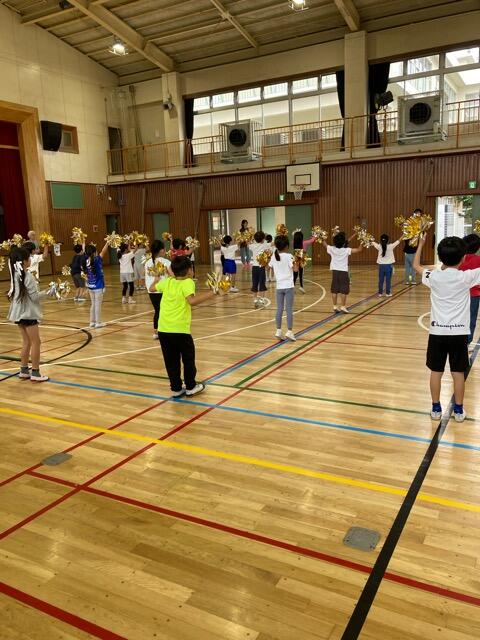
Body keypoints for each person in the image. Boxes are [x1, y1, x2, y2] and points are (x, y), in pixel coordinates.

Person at [413, 233, 480, 422]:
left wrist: (421, 244)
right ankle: (458, 410)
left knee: (436, 372)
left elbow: (416, 266)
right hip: (459, 334)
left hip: (437, 333)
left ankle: (436, 408)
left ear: (440, 257)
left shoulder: (433, 276)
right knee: (458, 373)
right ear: (464, 257)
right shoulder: (467, 277)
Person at [149, 255, 216, 398]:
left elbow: (152, 288)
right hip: (180, 330)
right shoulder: (188, 282)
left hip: (163, 329)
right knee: (188, 358)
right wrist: (213, 292)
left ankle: (176, 388)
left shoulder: (168, 282)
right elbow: (191, 301)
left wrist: (156, 278)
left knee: (171, 361)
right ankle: (191, 386)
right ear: (189, 270)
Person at [6, 246, 51, 382]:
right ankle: (35, 372)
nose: (31, 259)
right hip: (28, 314)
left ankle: (24, 370)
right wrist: (49, 291)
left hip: (19, 314)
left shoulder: (16, 275)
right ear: (24, 261)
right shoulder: (28, 276)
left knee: (26, 342)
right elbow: (35, 297)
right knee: (36, 342)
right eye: (29, 258)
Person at [322, 231, 362, 313]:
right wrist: (363, 241)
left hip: (335, 272)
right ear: (344, 242)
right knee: (343, 290)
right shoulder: (346, 250)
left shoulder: (332, 249)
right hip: (343, 272)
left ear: (334, 242)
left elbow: (324, 244)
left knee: (334, 290)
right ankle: (343, 307)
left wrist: (320, 236)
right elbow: (359, 250)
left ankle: (334, 306)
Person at [269, 235, 298, 342]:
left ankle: (278, 330)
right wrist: (297, 261)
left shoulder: (274, 256)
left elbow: (268, 267)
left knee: (279, 309)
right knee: (289, 309)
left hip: (279, 287)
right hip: (289, 286)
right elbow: (295, 270)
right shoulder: (289, 256)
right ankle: (289, 331)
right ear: (287, 246)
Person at [145, 239, 172, 340]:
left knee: (158, 310)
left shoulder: (147, 262)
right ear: (161, 250)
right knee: (165, 311)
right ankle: (165, 330)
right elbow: (172, 275)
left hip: (151, 291)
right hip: (162, 290)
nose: (165, 250)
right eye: (164, 248)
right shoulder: (165, 262)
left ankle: (156, 332)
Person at [459, 233, 480, 352]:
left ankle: (458, 341)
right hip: (474, 295)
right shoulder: (478, 260)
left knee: (459, 318)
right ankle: (467, 342)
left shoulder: (460, 259)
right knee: (471, 320)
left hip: (459, 294)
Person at [85, 242, 108, 328]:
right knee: (97, 304)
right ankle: (98, 322)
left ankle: (92, 322)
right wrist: (107, 242)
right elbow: (103, 251)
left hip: (91, 286)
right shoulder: (97, 259)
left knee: (93, 304)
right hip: (98, 286)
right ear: (94, 252)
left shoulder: (87, 260)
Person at [250, 230, 269, 307]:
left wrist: (251, 237)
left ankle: (255, 299)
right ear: (263, 239)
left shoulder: (252, 246)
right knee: (262, 283)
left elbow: (247, 243)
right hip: (261, 267)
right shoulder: (265, 245)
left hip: (254, 268)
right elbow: (273, 243)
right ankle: (262, 299)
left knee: (254, 283)